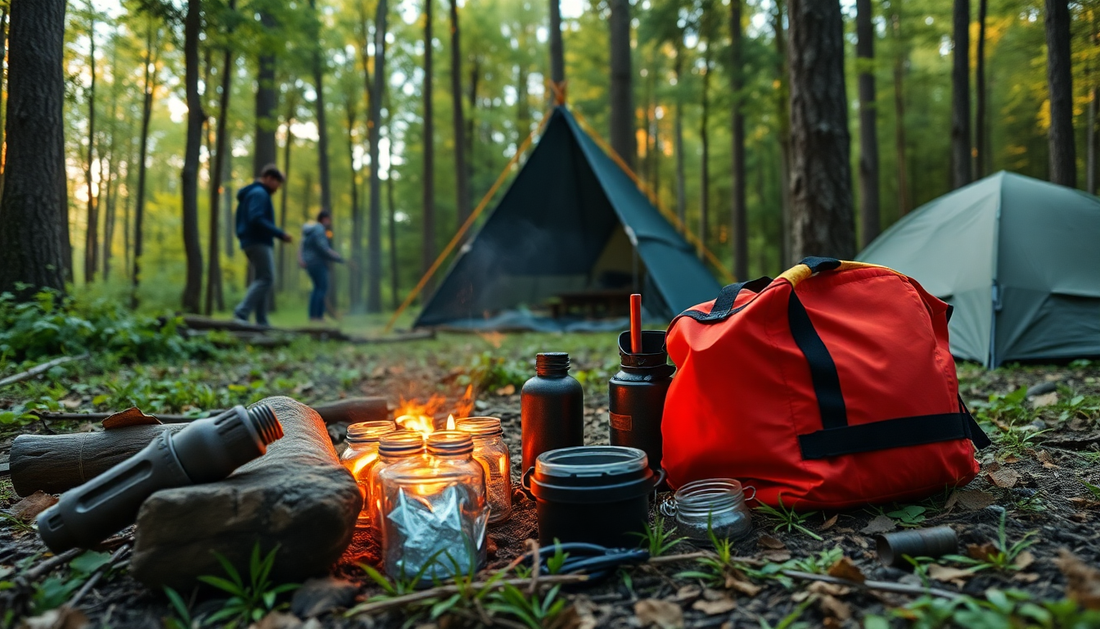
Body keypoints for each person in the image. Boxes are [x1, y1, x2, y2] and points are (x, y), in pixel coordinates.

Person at [233, 164, 291, 326]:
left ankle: (261, 320)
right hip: (257, 241)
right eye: (277, 183)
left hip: (251, 241)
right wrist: (280, 233)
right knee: (267, 278)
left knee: (261, 278)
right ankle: (241, 312)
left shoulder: (254, 192)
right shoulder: (259, 193)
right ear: (269, 179)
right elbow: (256, 218)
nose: (278, 188)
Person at [299, 211, 344, 321]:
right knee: (322, 289)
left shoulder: (309, 231)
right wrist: (336, 256)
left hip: (310, 263)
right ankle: (318, 317)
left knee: (316, 289)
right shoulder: (319, 229)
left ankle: (313, 316)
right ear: (324, 219)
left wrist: (302, 259)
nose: (329, 222)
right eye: (329, 219)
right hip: (318, 263)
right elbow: (322, 247)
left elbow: (303, 246)